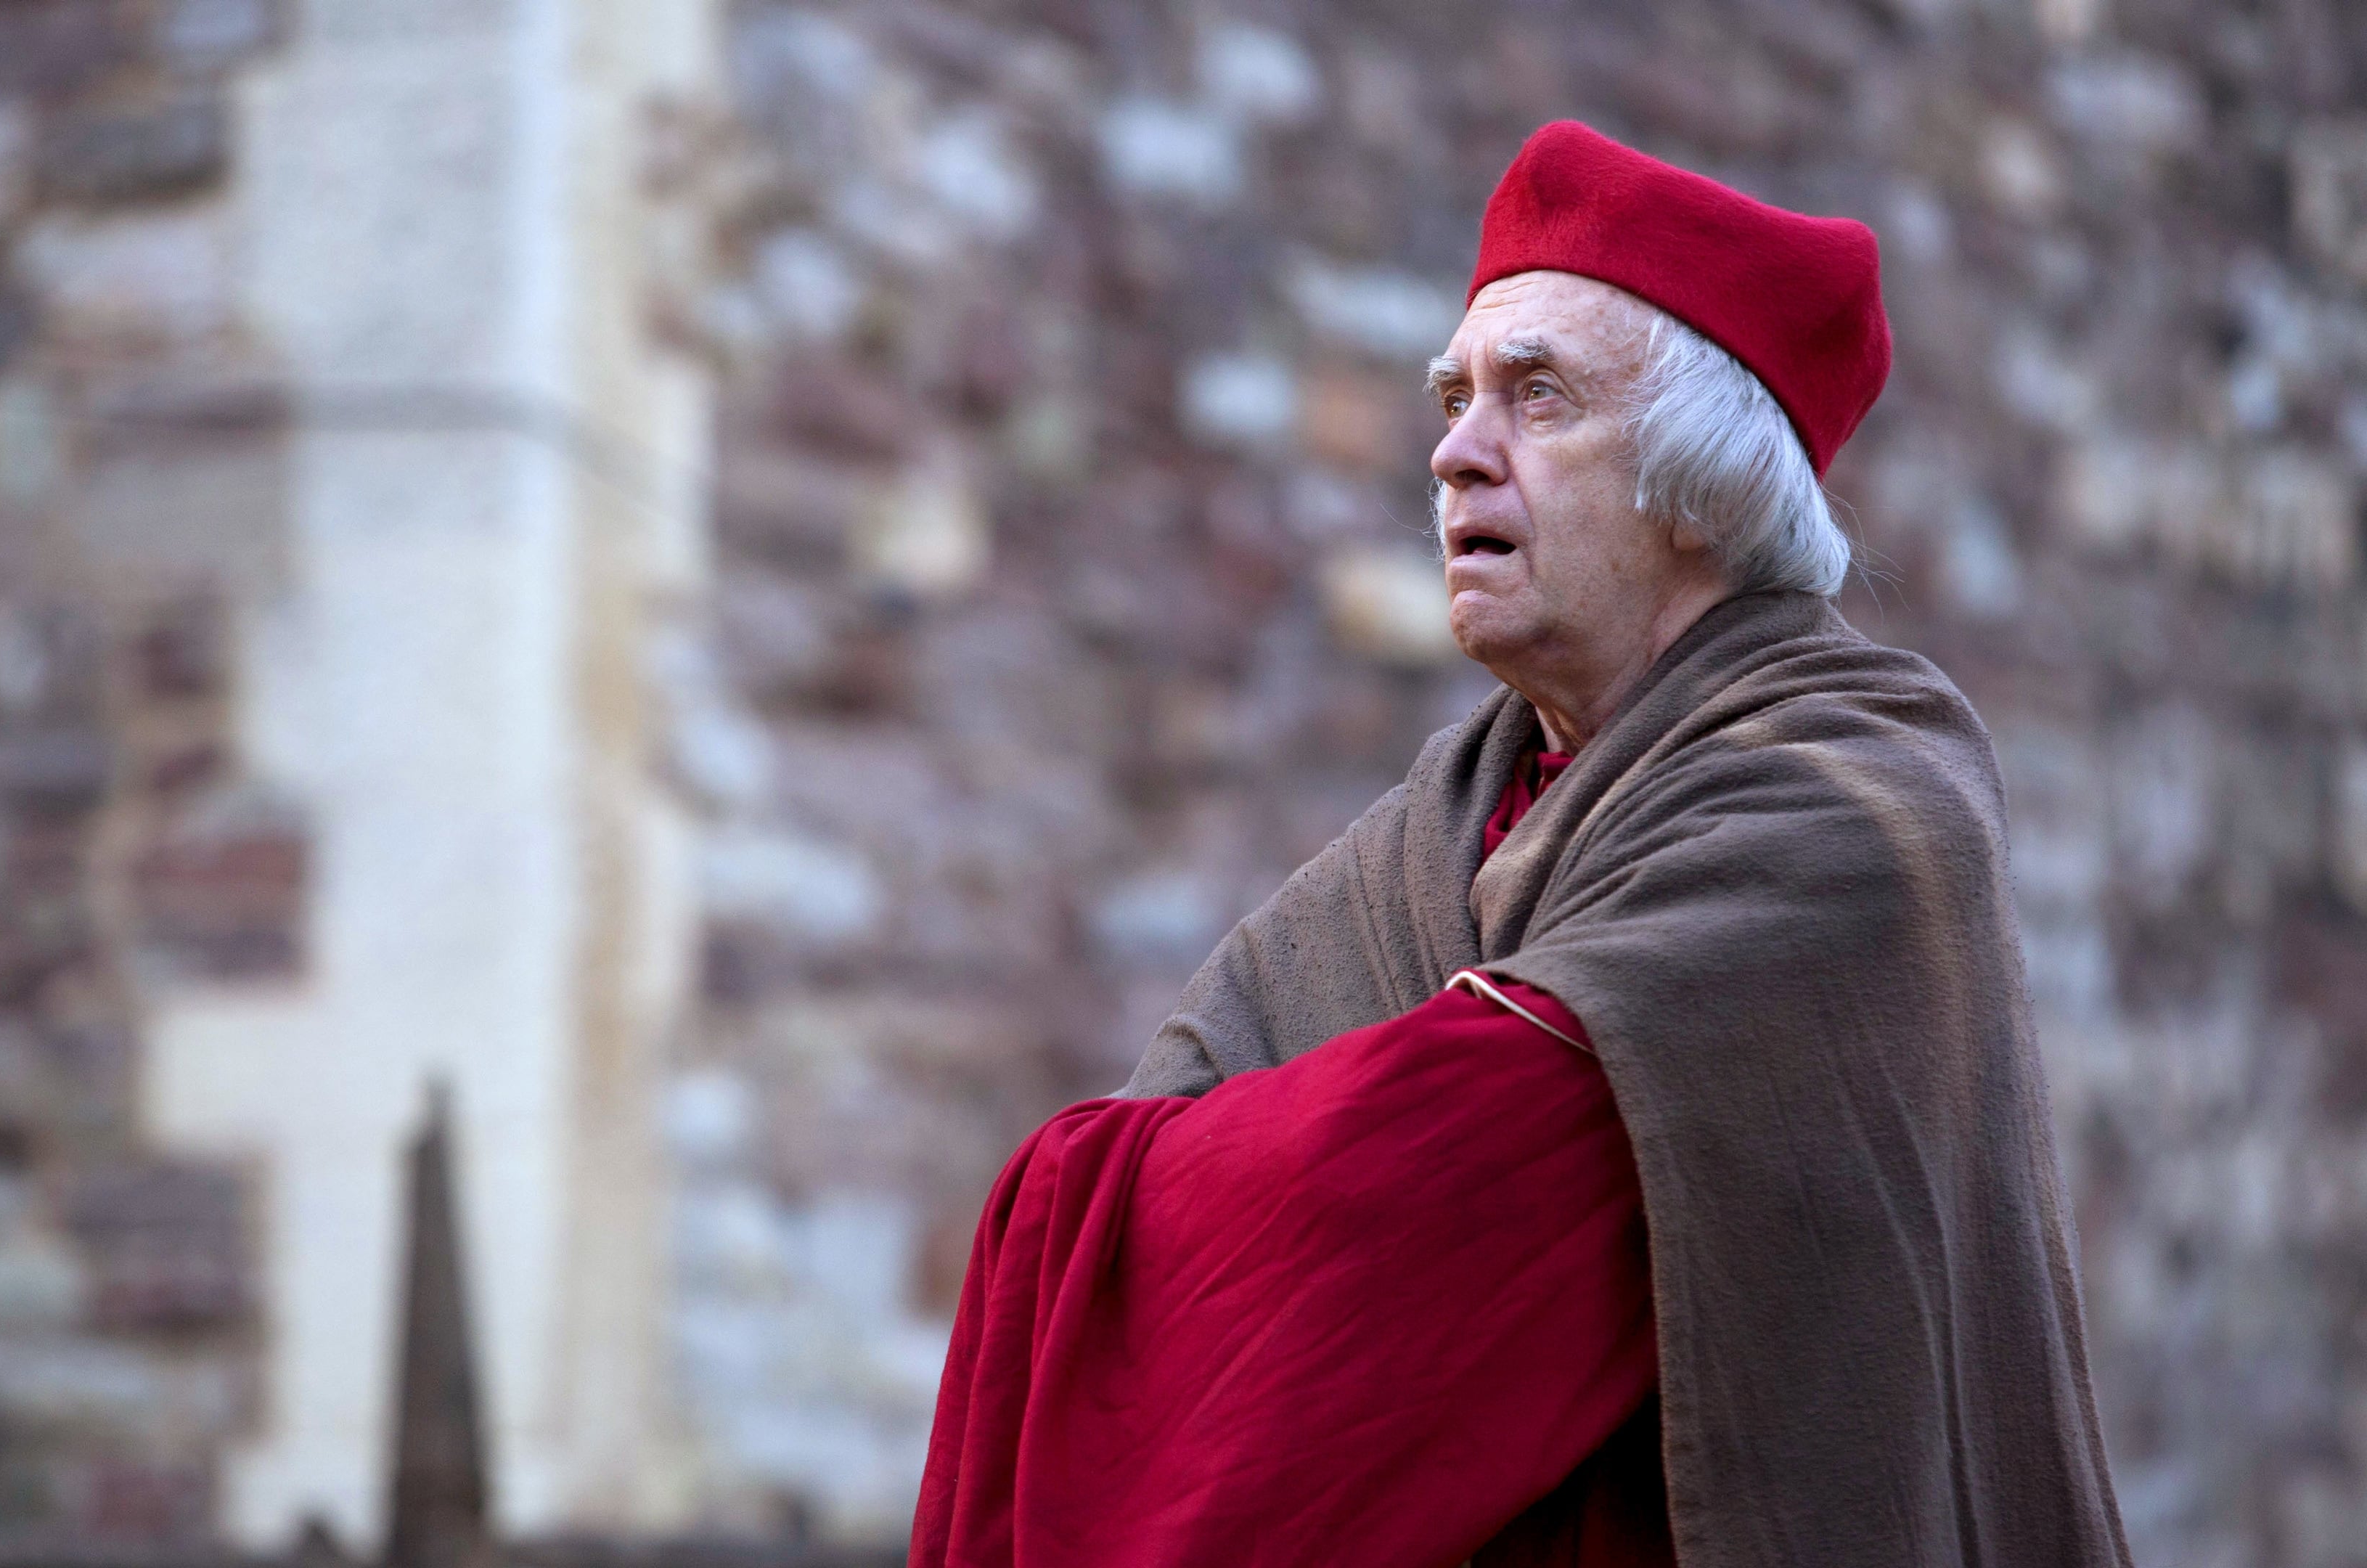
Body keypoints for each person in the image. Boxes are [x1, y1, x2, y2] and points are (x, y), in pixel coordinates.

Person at [912, 121, 2132, 1567]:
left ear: (1707, 485)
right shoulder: (1433, 831)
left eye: (1537, 397)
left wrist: (1129, 1192)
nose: (1454, 454)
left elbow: (1406, 1198)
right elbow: (1161, 1142)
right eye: (1455, 398)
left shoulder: (1858, 803)